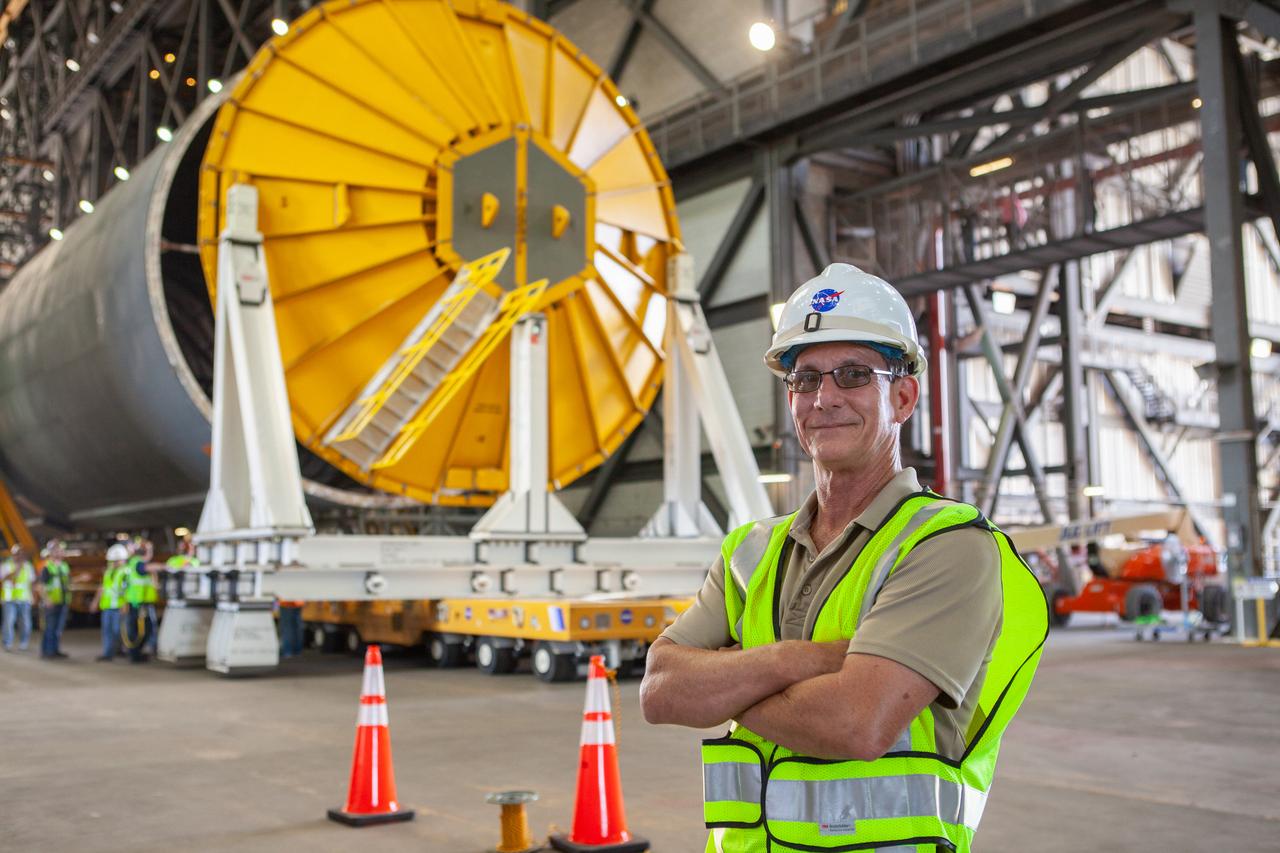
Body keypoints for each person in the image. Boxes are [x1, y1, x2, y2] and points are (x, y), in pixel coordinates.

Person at [639, 264, 1049, 853]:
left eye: (853, 375)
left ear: (902, 396)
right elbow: (659, 692)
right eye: (806, 380)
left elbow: (855, 723)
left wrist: (724, 680)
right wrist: (793, 661)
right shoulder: (750, 552)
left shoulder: (948, 546)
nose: (825, 397)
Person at [121, 538, 160, 663]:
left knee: (146, 629)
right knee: (137, 630)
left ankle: (137, 653)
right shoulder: (137, 563)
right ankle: (134, 654)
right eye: (149, 550)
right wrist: (166, 566)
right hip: (136, 603)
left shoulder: (138, 564)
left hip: (143, 603)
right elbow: (147, 568)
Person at [91, 544, 130, 661]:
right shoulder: (108, 572)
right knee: (107, 631)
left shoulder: (126, 572)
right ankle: (108, 653)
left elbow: (128, 590)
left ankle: (120, 650)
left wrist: (125, 604)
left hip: (119, 607)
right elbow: (102, 588)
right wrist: (95, 601)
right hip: (107, 606)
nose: (114, 563)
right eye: (112, 561)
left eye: (116, 561)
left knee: (118, 631)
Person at [39, 540, 71, 659]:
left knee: (58, 629)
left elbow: (66, 584)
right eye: (57, 550)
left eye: (61, 550)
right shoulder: (47, 567)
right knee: (50, 627)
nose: (60, 552)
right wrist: (47, 600)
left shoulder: (64, 566)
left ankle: (55, 650)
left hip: (63, 601)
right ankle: (47, 651)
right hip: (51, 602)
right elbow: (41, 586)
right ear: (51, 552)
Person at [1, 544, 36, 652]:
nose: (19, 556)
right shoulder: (6, 566)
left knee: (26, 623)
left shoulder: (28, 566)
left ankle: (23, 643)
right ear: (13, 555)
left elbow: (32, 582)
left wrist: (33, 596)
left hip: (24, 599)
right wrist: (17, 569)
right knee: (9, 622)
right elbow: (4, 578)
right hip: (9, 599)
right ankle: (7, 643)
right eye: (17, 554)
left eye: (21, 554)